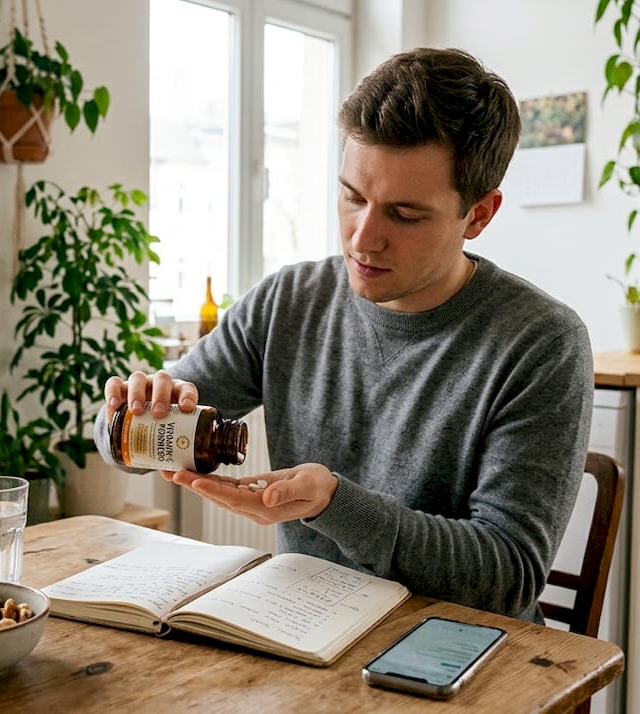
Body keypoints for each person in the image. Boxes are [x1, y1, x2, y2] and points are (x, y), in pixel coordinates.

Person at [105, 47, 593, 622]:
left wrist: (337, 504)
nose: (363, 238)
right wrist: (131, 414)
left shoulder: (542, 343)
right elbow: (124, 441)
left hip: (460, 658)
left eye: (405, 215)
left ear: (479, 215)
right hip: (302, 629)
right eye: (353, 197)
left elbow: (507, 577)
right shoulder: (288, 301)